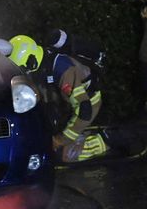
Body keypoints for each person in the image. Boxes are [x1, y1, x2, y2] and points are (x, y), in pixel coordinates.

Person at [7, 31, 109, 162]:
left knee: (63, 155)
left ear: (30, 62)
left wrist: (59, 140)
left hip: (89, 102)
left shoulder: (63, 70)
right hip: (65, 103)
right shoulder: (40, 63)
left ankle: (103, 141)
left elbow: (84, 110)